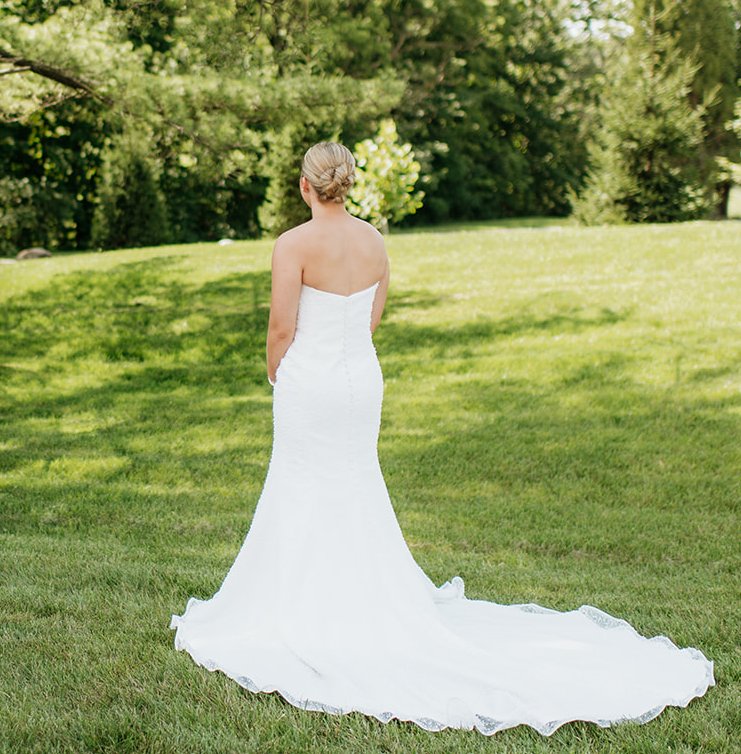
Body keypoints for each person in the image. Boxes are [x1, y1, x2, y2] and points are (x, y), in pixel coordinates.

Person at [171, 142, 713, 735]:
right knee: (353, 481)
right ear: (345, 184)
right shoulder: (375, 242)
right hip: (360, 381)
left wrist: (279, 369)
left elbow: (281, 326)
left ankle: (302, 608)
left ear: (305, 186)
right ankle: (358, 598)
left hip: (311, 381)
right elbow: (371, 315)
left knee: (303, 483)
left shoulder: (292, 246)